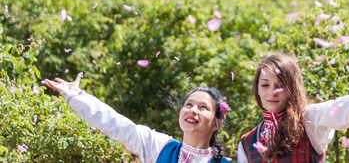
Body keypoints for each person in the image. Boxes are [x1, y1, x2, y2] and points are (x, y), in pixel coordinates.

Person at [43, 72, 232, 163]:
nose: (193, 110)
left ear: (217, 122)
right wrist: (75, 96)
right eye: (188, 105)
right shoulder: (159, 146)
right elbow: (114, 123)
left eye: (203, 107)